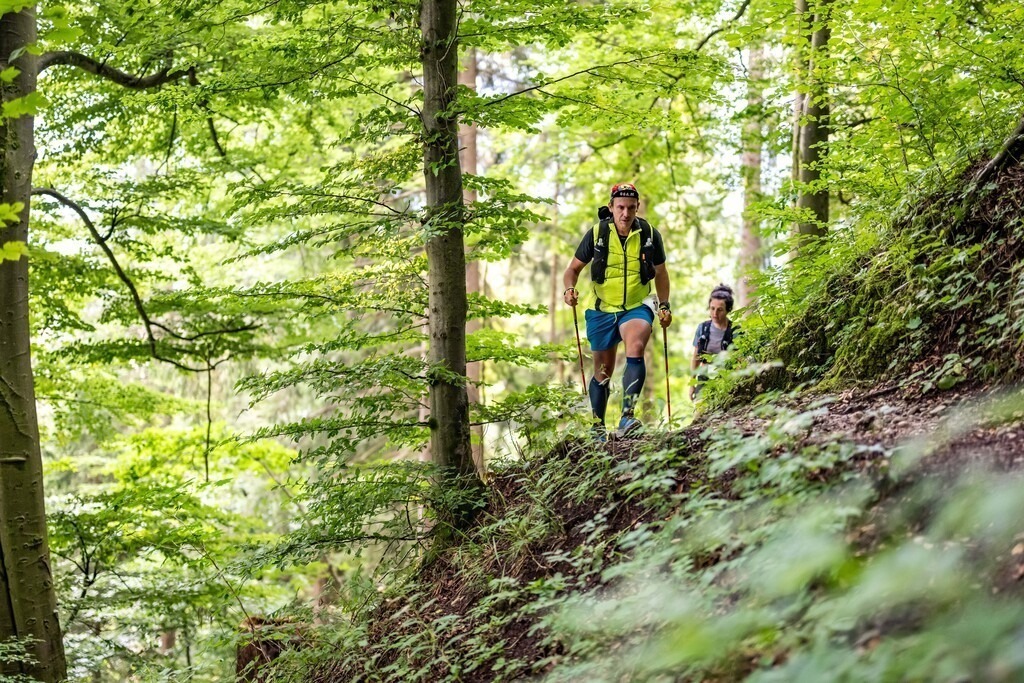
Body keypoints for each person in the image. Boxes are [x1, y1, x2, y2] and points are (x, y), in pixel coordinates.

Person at [563, 182, 672, 439]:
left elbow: (661, 272)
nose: (625, 213)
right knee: (603, 371)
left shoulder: (649, 234)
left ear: (637, 208)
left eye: (631, 208)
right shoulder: (597, 234)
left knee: (635, 346)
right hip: (601, 309)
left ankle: (627, 417)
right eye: (620, 207)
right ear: (611, 207)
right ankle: (597, 427)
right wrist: (569, 290)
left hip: (636, 305)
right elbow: (572, 270)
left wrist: (664, 304)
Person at [690, 284, 738, 400]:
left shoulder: (735, 331)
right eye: (712, 308)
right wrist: (692, 383)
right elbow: (696, 357)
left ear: (728, 310)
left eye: (720, 310)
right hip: (704, 375)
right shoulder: (702, 328)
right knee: (700, 411)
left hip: (727, 377)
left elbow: (740, 360)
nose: (715, 314)